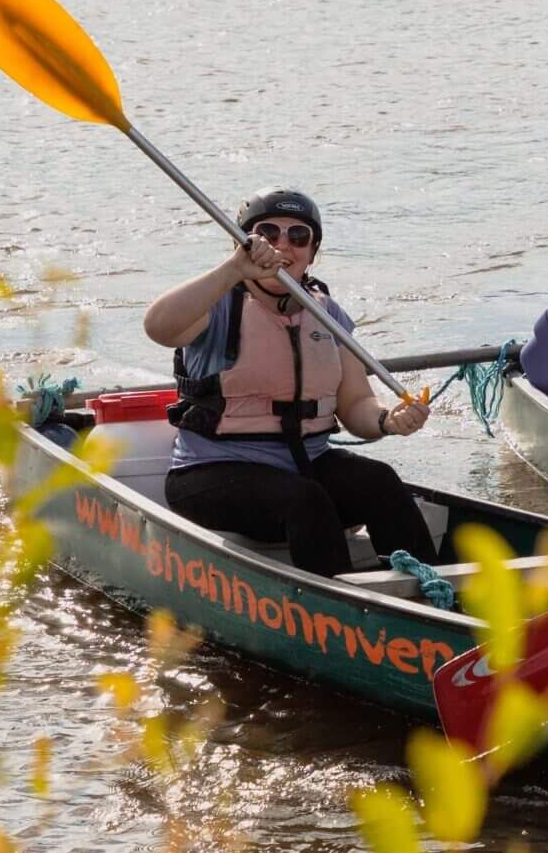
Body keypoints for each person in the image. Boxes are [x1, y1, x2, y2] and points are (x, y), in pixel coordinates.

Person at [144, 189, 436, 577]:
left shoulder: (327, 314)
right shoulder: (216, 304)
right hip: (211, 472)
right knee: (304, 499)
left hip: (304, 464)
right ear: (242, 242)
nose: (283, 245)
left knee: (378, 480)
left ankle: (432, 590)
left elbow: (356, 405)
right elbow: (158, 327)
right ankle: (340, 604)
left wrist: (387, 420)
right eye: (267, 233)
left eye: (298, 236)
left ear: (312, 252)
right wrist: (233, 270)